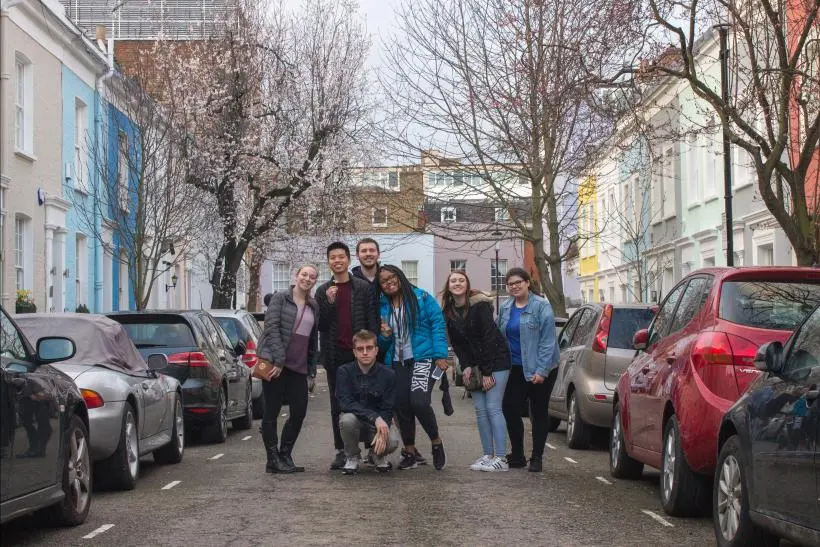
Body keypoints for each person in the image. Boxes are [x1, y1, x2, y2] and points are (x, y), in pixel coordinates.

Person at [377, 264, 449, 470]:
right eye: (383, 281)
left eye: (392, 278)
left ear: (400, 277)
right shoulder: (382, 306)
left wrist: (440, 354)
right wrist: (385, 336)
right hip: (397, 361)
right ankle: (409, 451)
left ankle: (436, 442)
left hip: (422, 358)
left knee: (418, 401)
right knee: (401, 405)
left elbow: (437, 323)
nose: (389, 283)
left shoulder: (421, 297)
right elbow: (382, 344)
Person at [316, 242, 380, 470]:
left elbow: (372, 321)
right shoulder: (323, 291)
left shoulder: (363, 288)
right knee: (337, 404)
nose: (337, 261)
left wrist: (373, 350)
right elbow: (321, 325)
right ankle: (342, 450)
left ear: (348, 260)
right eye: (332, 257)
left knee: (368, 399)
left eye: (341, 257)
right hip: (335, 356)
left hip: (360, 355)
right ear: (329, 262)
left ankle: (374, 449)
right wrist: (329, 303)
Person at [441, 270, 511, 472]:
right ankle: (488, 454)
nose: (457, 283)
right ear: (449, 286)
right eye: (453, 280)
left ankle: (501, 458)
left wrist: (487, 371)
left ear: (467, 284)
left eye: (461, 280)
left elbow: (489, 338)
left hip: (496, 361)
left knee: (493, 408)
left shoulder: (480, 306)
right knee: (480, 411)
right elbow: (459, 344)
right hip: (476, 364)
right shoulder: (450, 312)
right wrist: (467, 366)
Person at [257, 264, 320, 473]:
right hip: (276, 364)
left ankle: (285, 454)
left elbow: (312, 340)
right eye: (304, 274)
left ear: (315, 281)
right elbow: (272, 327)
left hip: (298, 367)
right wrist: (278, 360)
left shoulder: (313, 305)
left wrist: (312, 369)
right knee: (271, 412)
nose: (307, 279)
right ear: (296, 276)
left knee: (299, 412)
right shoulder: (280, 298)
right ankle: (272, 459)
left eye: (312, 276)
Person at [497, 267, 560, 473]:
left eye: (518, 283)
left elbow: (548, 341)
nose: (514, 287)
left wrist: (541, 371)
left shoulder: (541, 306)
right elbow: (498, 337)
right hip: (515, 367)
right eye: (510, 284)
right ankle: (517, 455)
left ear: (527, 283)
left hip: (541, 367)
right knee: (509, 407)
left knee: (538, 411)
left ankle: (537, 457)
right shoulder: (506, 308)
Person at [336, 330, 401, 474]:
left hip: (377, 424)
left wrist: (381, 423)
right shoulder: (344, 372)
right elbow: (345, 403)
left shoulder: (388, 375)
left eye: (369, 348)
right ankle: (352, 457)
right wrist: (374, 417)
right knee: (346, 420)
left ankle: (377, 456)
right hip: (356, 422)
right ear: (354, 352)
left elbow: (388, 407)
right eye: (360, 349)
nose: (365, 353)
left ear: (376, 350)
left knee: (392, 441)